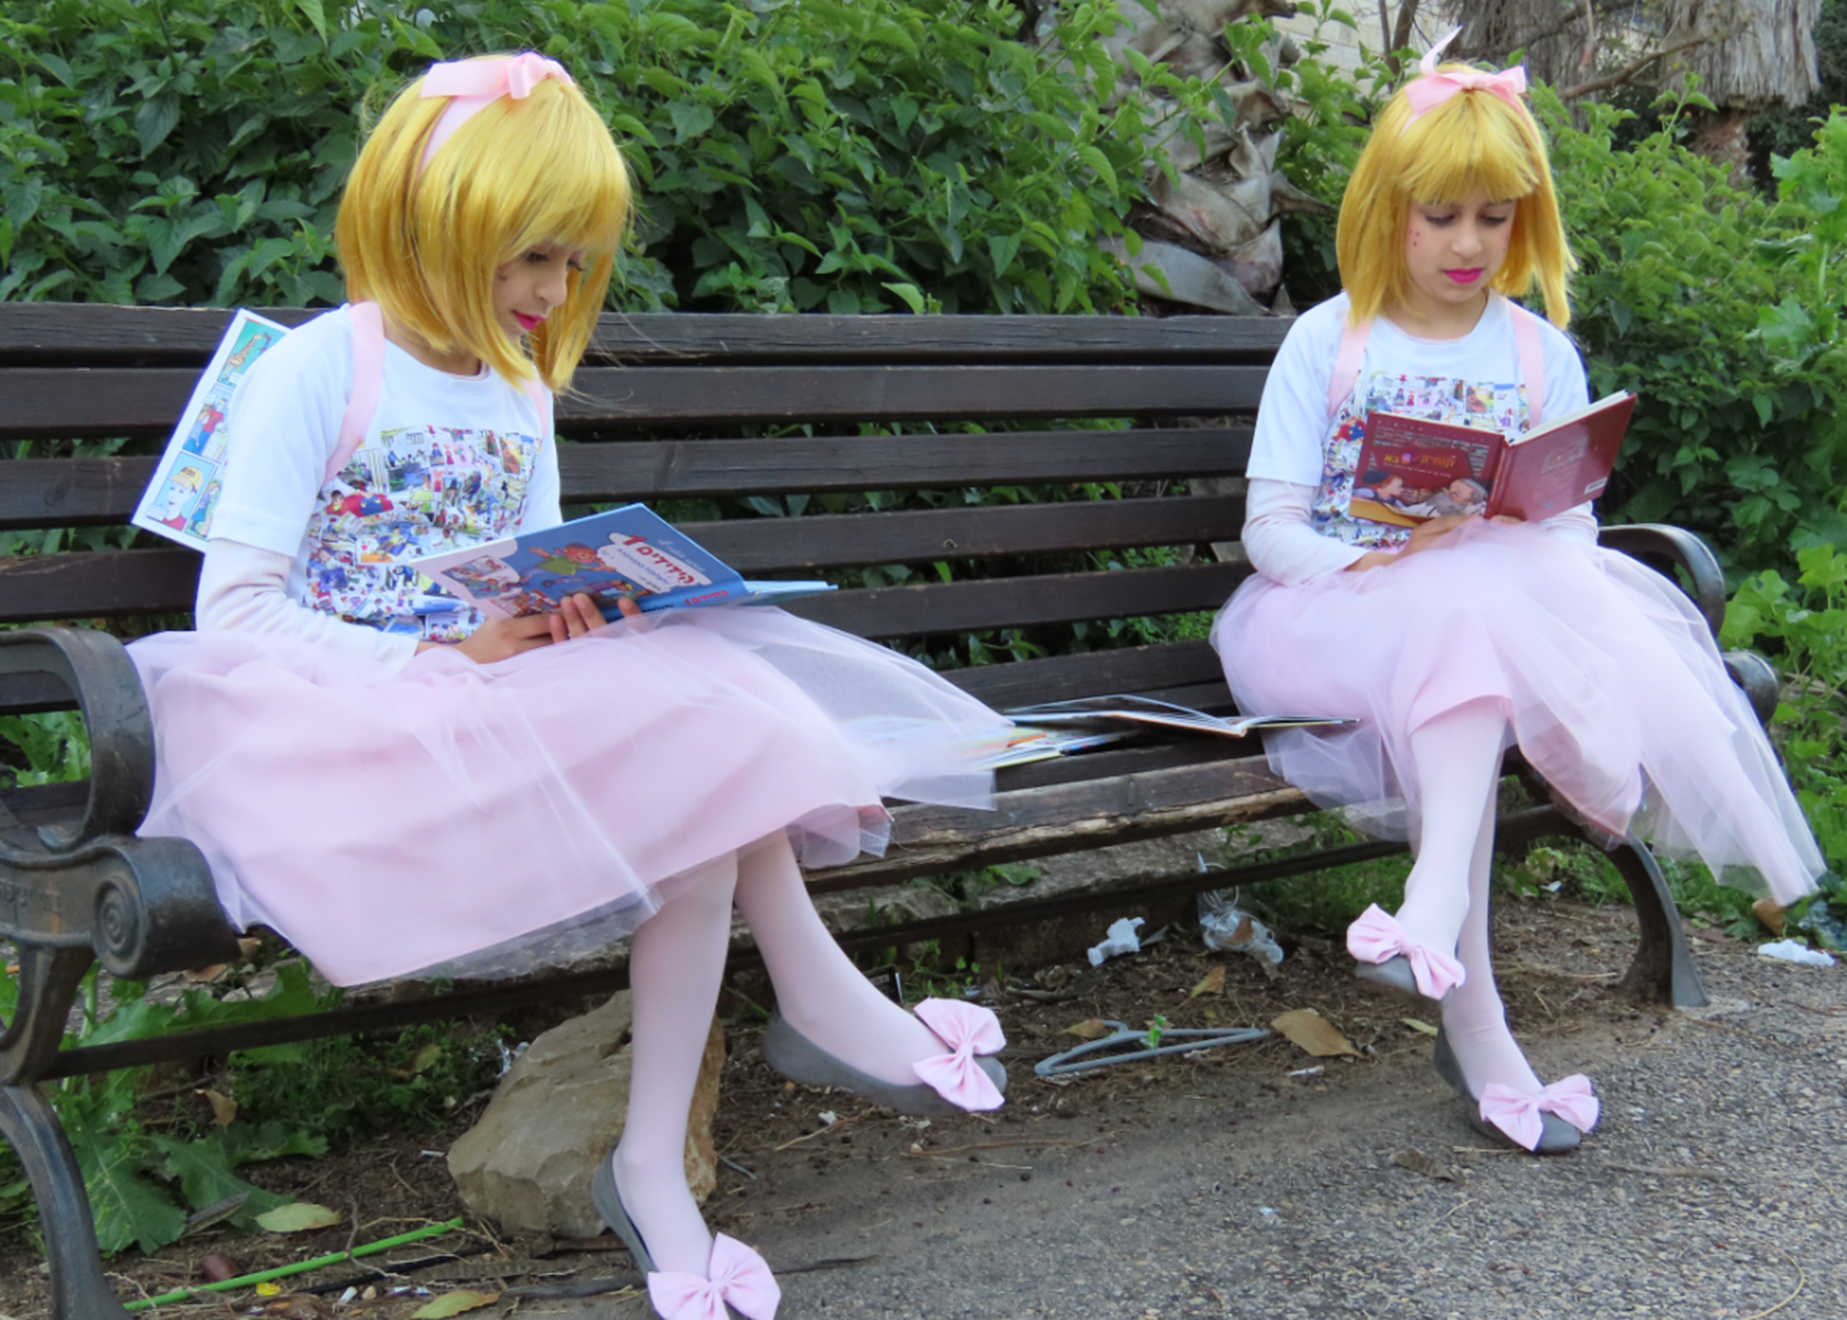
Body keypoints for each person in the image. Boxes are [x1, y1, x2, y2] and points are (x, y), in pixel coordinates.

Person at [128, 54, 1016, 1320]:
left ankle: (658, 1157)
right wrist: (435, 656)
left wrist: (571, 612)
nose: (552, 292)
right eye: (530, 257)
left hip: (494, 702)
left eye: (572, 263)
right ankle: (803, 1016)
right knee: (695, 747)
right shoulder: (320, 368)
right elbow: (235, 611)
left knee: (696, 736)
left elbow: (523, 572)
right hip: (340, 732)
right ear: (434, 223)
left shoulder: (515, 385)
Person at [1211, 30, 1823, 1156]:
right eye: (1440, 215)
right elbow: (1269, 533)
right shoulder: (1326, 341)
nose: (1467, 243)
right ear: (1386, 208)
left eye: (1494, 218)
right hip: (1325, 625)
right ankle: (1458, 970)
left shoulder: (1538, 355)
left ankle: (1443, 939)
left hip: (1474, 633)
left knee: (1473, 609)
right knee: (1457, 608)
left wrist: (1495, 530)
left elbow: (1568, 530)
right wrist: (1381, 563)